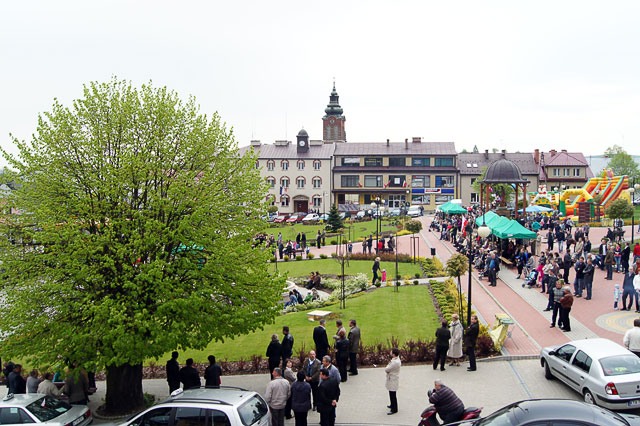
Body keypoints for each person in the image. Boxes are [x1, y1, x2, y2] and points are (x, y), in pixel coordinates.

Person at [385, 348, 401, 415]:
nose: (390, 352)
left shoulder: (395, 362)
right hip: (392, 378)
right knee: (391, 393)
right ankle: (392, 405)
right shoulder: (395, 359)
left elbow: (387, 369)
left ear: (394, 354)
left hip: (393, 379)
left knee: (393, 394)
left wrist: (387, 367)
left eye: (391, 352)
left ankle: (394, 409)